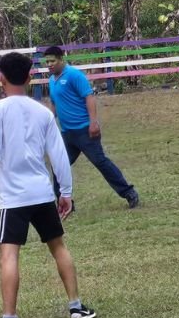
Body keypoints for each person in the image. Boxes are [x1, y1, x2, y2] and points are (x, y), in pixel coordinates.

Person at [0, 53, 97, 318]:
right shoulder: (43, 112)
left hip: (13, 198)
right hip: (41, 193)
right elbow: (59, 156)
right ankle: (76, 307)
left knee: (8, 255)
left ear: (0, 77)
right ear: (30, 78)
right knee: (58, 247)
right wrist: (66, 192)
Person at [44, 46, 139, 209]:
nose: (49, 65)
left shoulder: (74, 75)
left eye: (52, 61)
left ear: (61, 60)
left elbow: (89, 97)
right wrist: (48, 122)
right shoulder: (52, 80)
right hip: (67, 134)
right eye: (47, 62)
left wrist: (93, 122)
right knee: (58, 165)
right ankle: (64, 203)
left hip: (84, 130)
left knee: (100, 162)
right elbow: (54, 103)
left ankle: (129, 192)